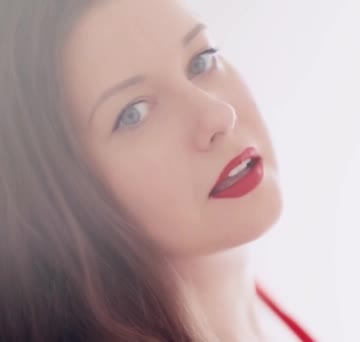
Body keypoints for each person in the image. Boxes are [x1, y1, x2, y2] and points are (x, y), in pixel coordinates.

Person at [0, 0, 314, 341]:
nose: (219, 116)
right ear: (60, 193)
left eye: (202, 60)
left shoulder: (266, 312)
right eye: (134, 113)